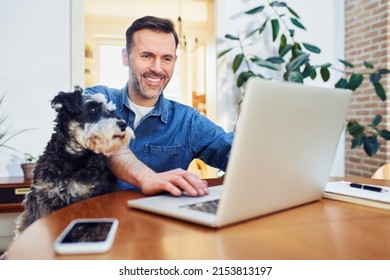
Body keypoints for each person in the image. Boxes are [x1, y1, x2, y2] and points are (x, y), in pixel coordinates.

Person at [85, 16, 233, 197]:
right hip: (97, 219)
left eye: (166, 59)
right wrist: (147, 177)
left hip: (159, 223)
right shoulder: (98, 98)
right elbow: (107, 140)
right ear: (126, 57)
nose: (157, 68)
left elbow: (233, 153)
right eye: (146, 56)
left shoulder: (188, 122)